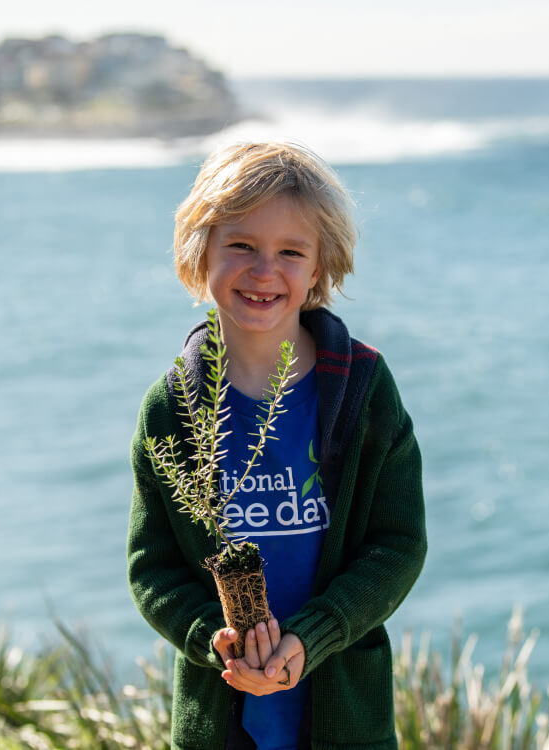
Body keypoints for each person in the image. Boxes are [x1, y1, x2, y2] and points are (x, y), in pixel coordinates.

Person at [127, 141, 426, 750]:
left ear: (319, 269)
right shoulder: (172, 407)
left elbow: (397, 546)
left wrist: (312, 636)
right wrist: (213, 635)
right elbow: (151, 567)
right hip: (218, 721)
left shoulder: (362, 390)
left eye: (291, 252)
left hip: (345, 717)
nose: (265, 271)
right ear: (200, 251)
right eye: (241, 245)